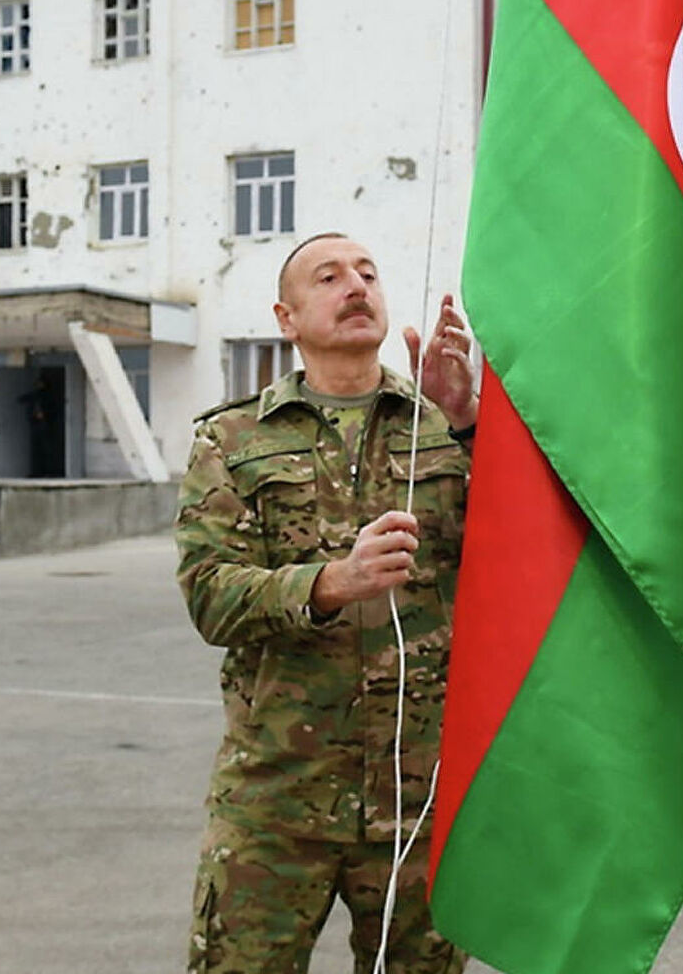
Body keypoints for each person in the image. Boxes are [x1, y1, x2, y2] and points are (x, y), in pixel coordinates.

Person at [175, 233, 479, 973]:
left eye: (370, 273)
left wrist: (470, 426)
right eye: (330, 275)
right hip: (278, 799)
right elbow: (211, 594)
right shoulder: (234, 437)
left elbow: (515, 572)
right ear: (287, 316)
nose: (356, 285)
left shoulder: (442, 425)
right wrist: (328, 582)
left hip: (420, 798)